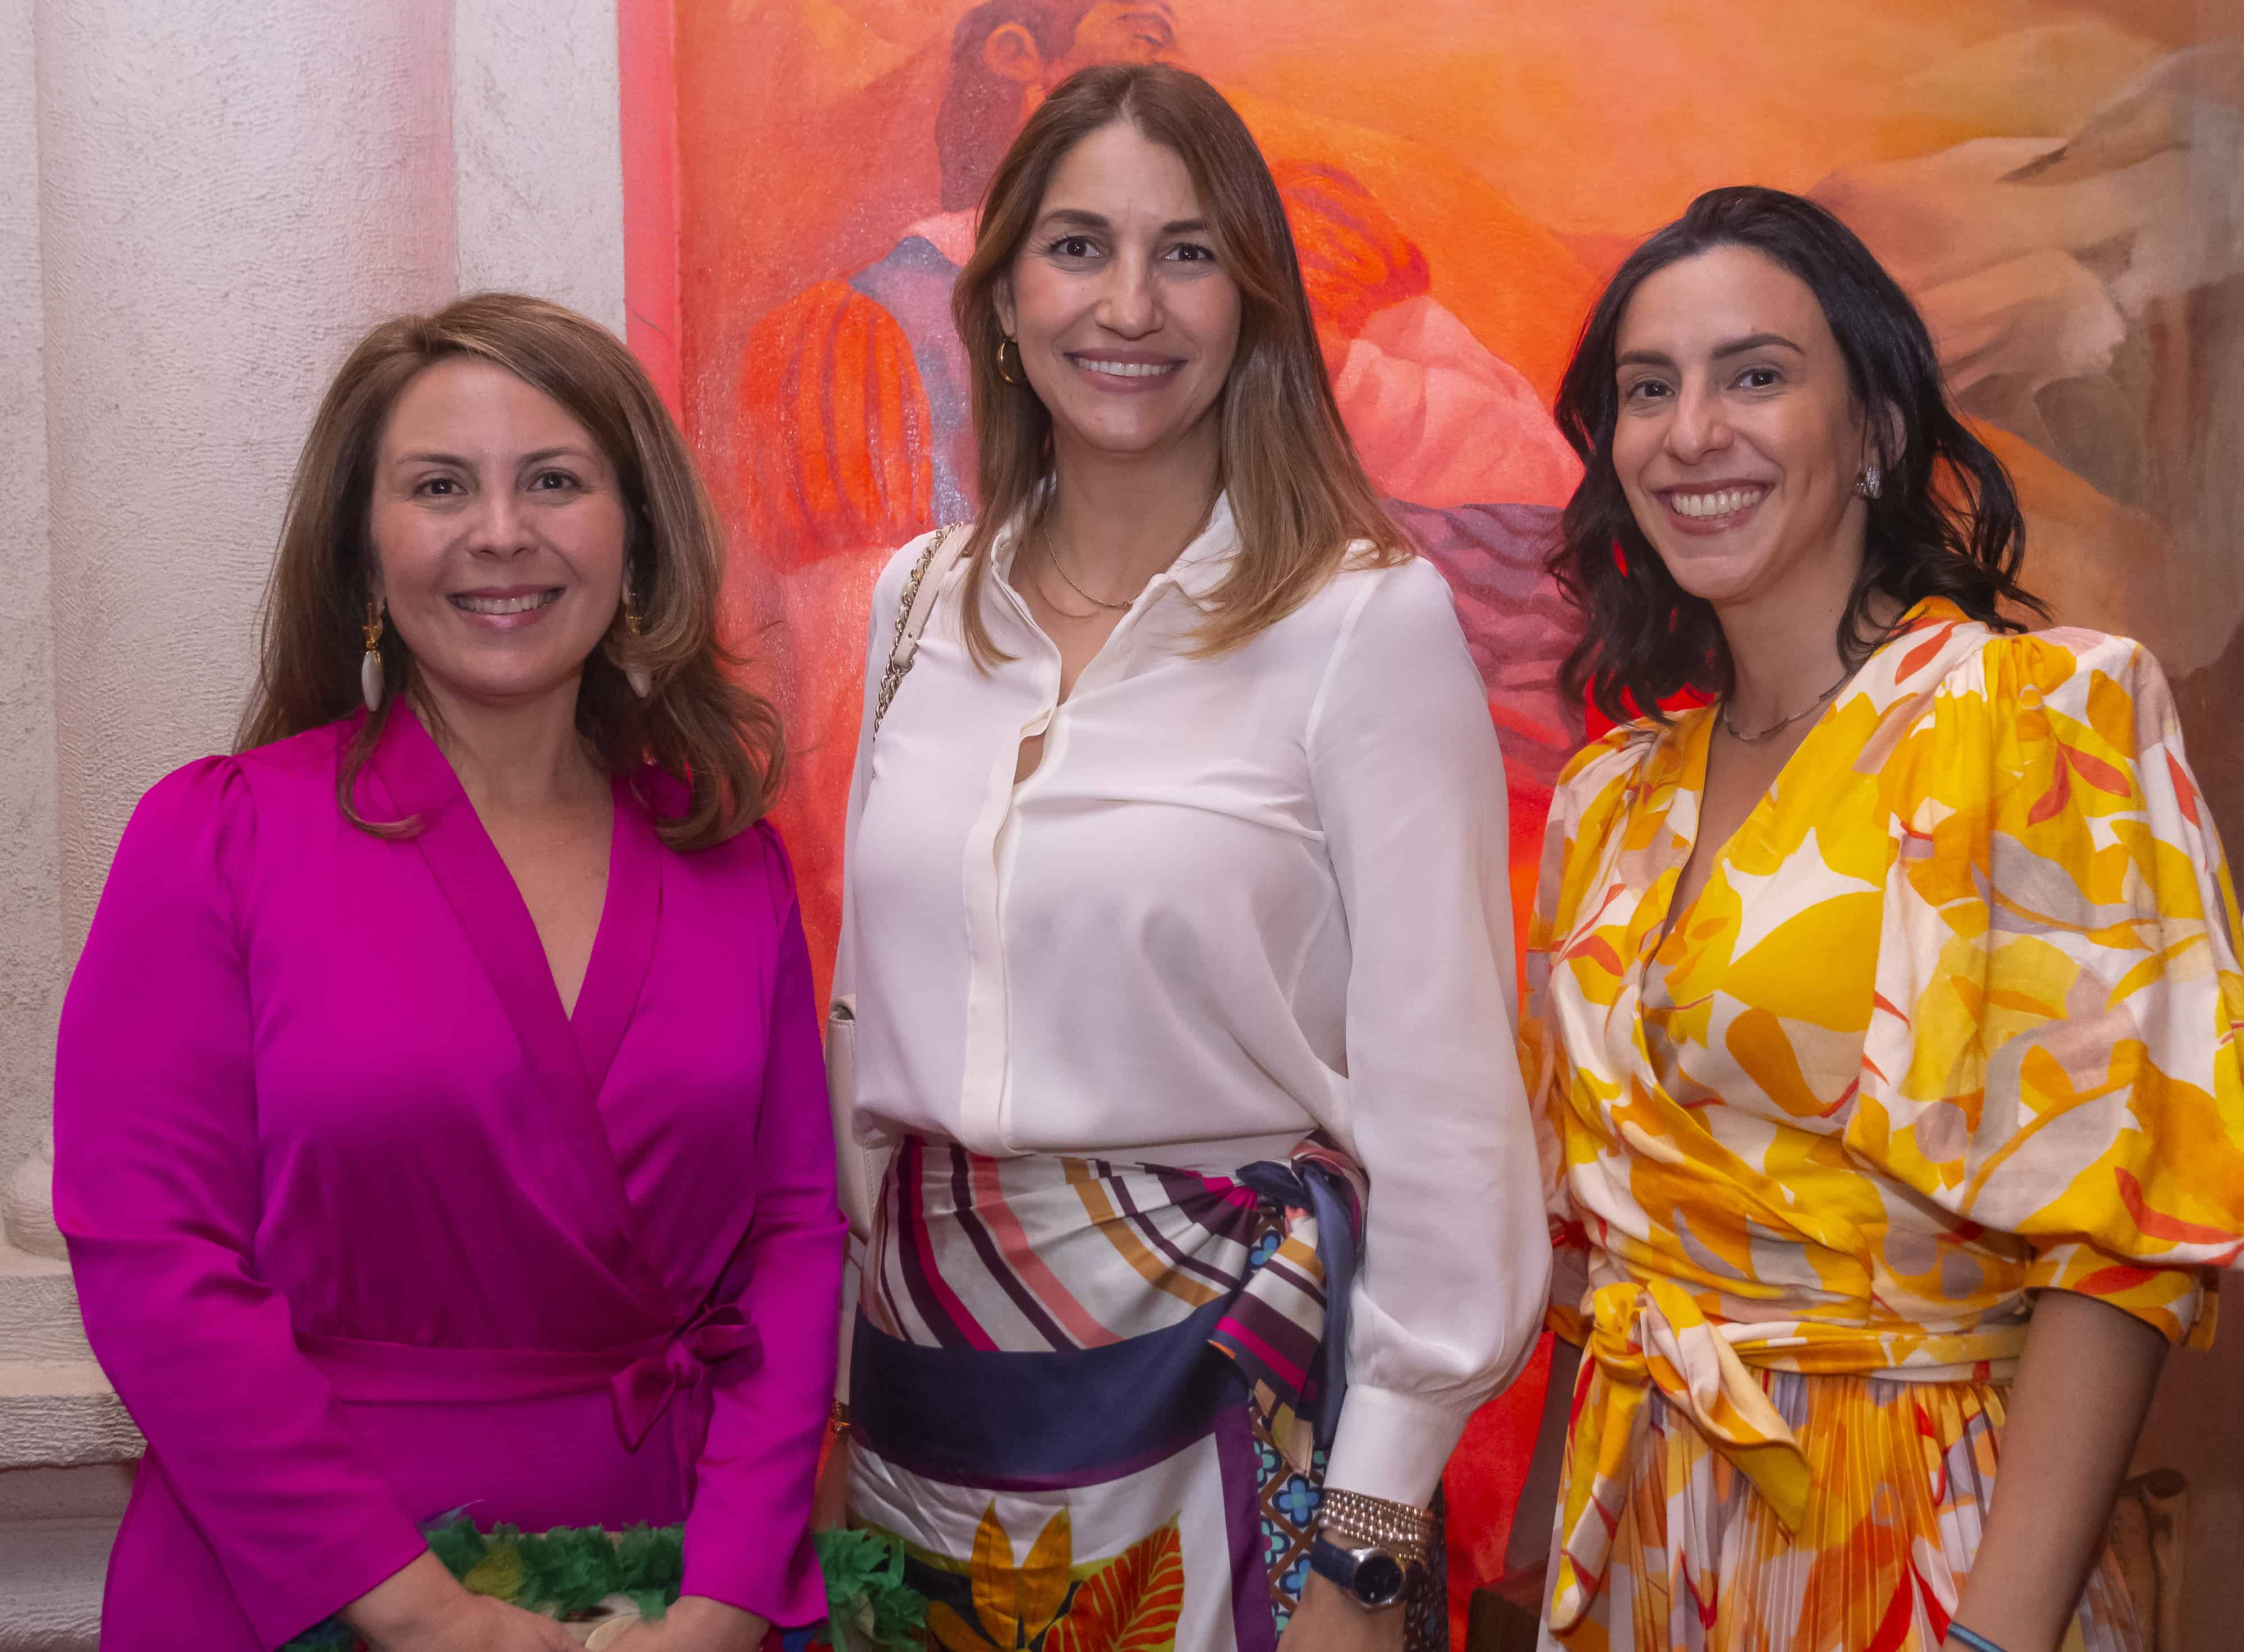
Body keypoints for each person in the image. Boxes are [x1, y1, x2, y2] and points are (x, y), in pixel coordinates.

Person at [822, 62, 1548, 1652]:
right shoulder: (912, 609)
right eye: (1078, 247)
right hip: (926, 1401)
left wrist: (1364, 1546)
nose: (1130, 303)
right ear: (999, 295)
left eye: (1191, 251)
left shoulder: (1365, 620)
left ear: (1256, 305)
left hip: (1241, 1393)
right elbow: (864, 1023)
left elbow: (1450, 1110)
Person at [53, 294, 844, 1652]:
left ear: (636, 537)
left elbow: (794, 1238)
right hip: (304, 1590)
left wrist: (724, 1599)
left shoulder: (730, 860)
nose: (501, 532)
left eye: (554, 481)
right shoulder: (218, 837)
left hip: (663, 1596)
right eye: (439, 486)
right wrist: (420, 1615)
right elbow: (151, 1257)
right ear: (365, 555)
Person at [1516, 186, 2244, 1652]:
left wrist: (1994, 1632)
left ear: (1878, 434)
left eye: (1757, 375)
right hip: (1637, 1534)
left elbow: (2126, 1249)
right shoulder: (1607, 798)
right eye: (1647, 390)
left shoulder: (2039, 719)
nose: (1691, 429)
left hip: (1920, 1537)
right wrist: (1528, 1567)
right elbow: (1605, 1265)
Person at [730, 0, 1586, 984]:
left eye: (1187, 254)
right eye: (1139, 28)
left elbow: (1537, 501)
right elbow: (861, 834)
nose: (1130, 309)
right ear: (1019, 56)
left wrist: (1320, 363)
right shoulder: (856, 348)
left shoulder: (1315, 254)